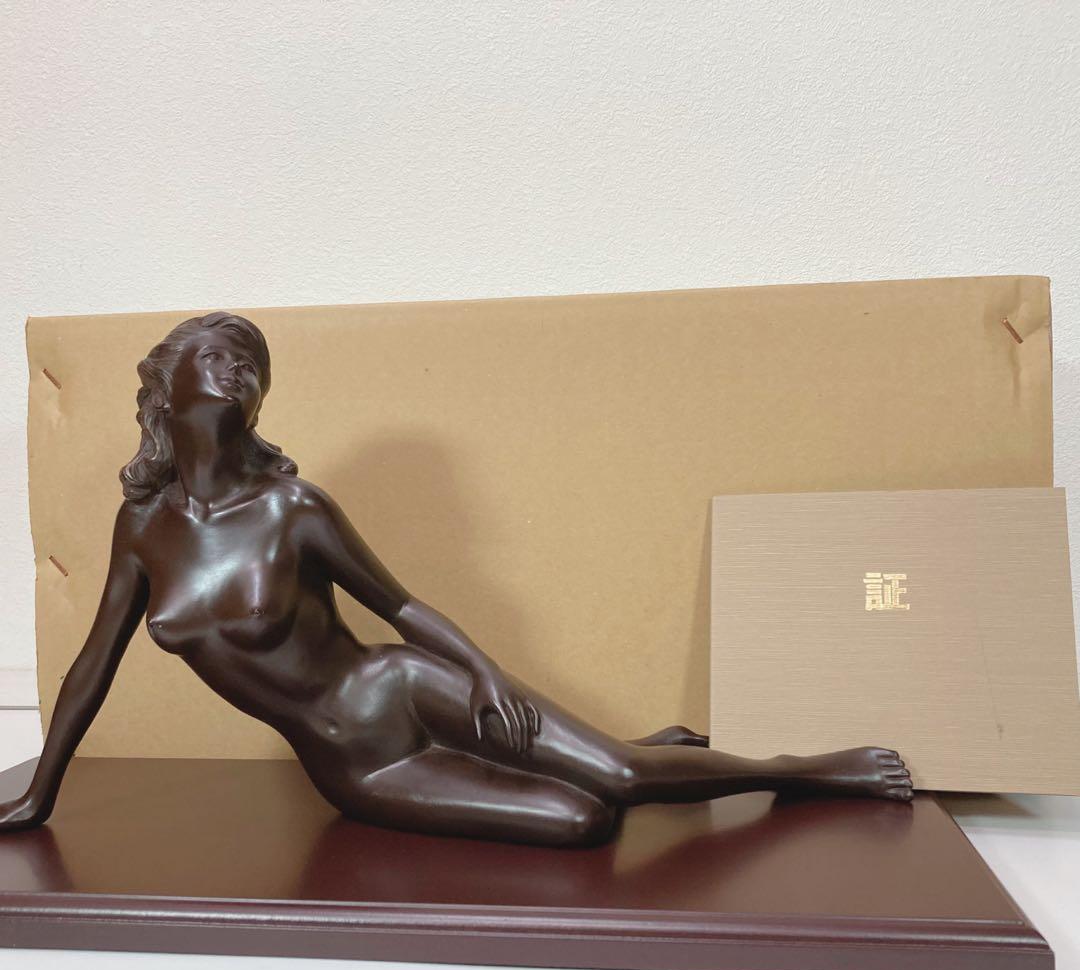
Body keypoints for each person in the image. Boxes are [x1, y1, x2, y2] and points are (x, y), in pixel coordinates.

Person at [0, 312, 913, 846]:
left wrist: (481, 672)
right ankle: (624, 748)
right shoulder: (143, 529)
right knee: (585, 820)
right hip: (355, 764)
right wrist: (42, 790)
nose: (242, 372)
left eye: (254, 366)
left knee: (625, 777)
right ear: (167, 387)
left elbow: (399, 606)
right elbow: (91, 668)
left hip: (398, 684)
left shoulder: (294, 508)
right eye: (221, 357)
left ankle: (806, 773)